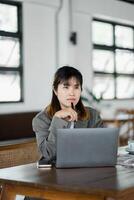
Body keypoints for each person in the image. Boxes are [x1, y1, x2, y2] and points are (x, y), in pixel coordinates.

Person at [24, 66, 103, 200]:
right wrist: (57, 120)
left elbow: (102, 149)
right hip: (53, 177)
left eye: (76, 87)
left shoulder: (92, 115)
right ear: (55, 90)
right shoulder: (41, 119)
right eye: (66, 87)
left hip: (86, 174)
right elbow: (48, 154)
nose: (72, 93)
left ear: (81, 90)